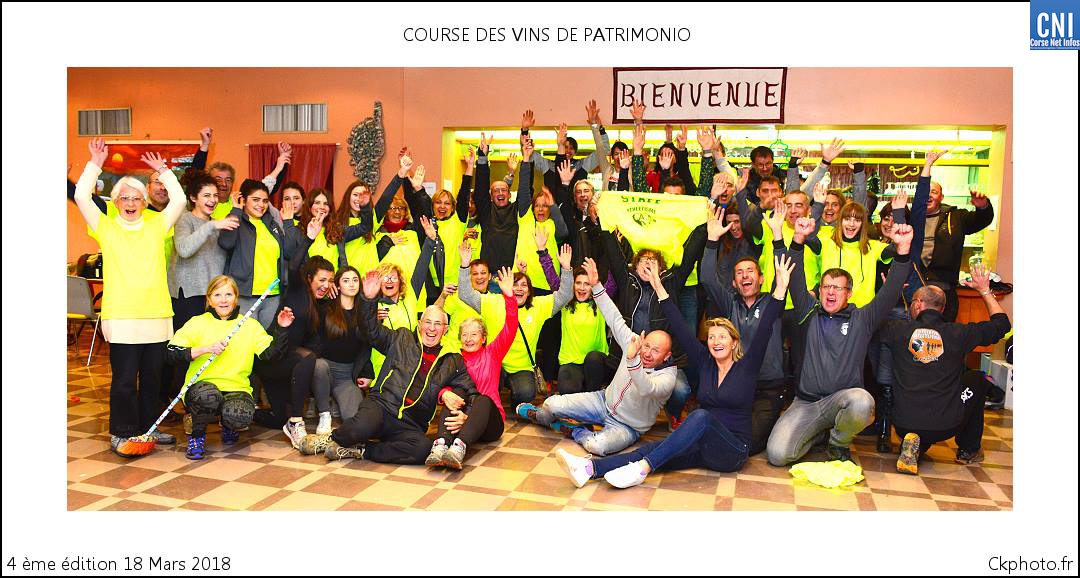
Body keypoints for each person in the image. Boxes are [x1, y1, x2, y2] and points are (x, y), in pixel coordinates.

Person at [556, 254, 791, 488]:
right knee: (654, 449)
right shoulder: (705, 362)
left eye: (722, 337)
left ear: (734, 343)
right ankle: (589, 469)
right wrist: (658, 287)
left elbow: (764, 329)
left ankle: (642, 469)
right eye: (711, 337)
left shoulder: (747, 367)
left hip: (733, 451)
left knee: (700, 416)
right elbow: (678, 325)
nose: (716, 341)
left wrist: (780, 290)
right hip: (703, 445)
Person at [765, 218, 915, 466]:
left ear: (849, 293)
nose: (831, 292)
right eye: (826, 287)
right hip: (807, 403)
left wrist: (903, 249)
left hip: (842, 402)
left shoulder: (863, 319)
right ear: (820, 290)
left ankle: (838, 442)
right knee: (778, 455)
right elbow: (795, 276)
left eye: (837, 288)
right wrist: (798, 239)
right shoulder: (808, 312)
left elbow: (890, 292)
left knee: (862, 401)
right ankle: (817, 433)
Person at [71, 139, 187, 456]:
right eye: (125, 197)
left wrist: (164, 171)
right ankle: (121, 432)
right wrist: (95, 164)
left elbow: (179, 200)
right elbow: (81, 196)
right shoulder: (104, 226)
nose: (131, 202)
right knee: (123, 380)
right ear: (116, 201)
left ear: (145, 202)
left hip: (157, 315)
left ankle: (149, 428)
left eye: (137, 198)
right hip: (121, 317)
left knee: (152, 379)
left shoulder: (158, 225)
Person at [297, 272, 479, 464]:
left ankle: (361, 450)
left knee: (422, 449)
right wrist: (368, 300)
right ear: (419, 324)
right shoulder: (402, 338)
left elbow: (471, 392)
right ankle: (331, 439)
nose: (432, 328)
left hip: (411, 422)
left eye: (438, 324)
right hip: (381, 406)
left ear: (445, 329)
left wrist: (466, 415)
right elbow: (371, 331)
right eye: (428, 322)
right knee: (360, 427)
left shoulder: (453, 359)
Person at [517, 258, 677, 456]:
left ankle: (574, 430)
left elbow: (646, 388)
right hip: (602, 402)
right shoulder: (635, 343)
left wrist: (632, 360)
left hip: (627, 426)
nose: (647, 352)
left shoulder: (667, 378)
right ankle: (539, 416)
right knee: (551, 404)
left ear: (667, 356)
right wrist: (596, 285)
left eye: (655, 351)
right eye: (647, 346)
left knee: (596, 446)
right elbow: (614, 318)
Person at [880, 264, 1010, 474]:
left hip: (904, 423)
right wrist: (984, 290)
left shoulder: (897, 330)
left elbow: (871, 322)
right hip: (945, 425)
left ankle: (913, 442)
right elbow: (1002, 325)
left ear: (918, 304)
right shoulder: (959, 334)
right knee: (977, 379)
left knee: (919, 412)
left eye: (912, 302)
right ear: (942, 309)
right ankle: (968, 450)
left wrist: (889, 294)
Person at [166, 276, 293, 459]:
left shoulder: (249, 325)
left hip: (236, 387)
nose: (223, 300)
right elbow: (171, 353)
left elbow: (270, 355)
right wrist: (205, 349)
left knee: (240, 413)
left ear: (236, 298)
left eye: (228, 294)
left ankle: (229, 426)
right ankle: (197, 436)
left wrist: (282, 328)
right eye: (217, 295)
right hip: (202, 387)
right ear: (209, 300)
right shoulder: (197, 322)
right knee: (208, 397)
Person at [700, 205, 788, 454]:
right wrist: (712, 240)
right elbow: (707, 278)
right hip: (736, 387)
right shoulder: (729, 303)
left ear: (761, 279)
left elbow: (783, 272)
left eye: (750, 271)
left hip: (767, 387)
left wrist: (778, 235)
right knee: (710, 431)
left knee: (748, 443)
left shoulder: (773, 302)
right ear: (734, 282)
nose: (745, 276)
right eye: (739, 273)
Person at [456, 239, 574, 410]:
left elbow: (565, 296)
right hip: (494, 364)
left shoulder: (538, 306)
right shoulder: (492, 302)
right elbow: (465, 294)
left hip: (522, 367)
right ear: (507, 287)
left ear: (529, 290)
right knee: (484, 390)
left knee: (526, 393)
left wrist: (566, 269)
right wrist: (465, 265)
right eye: (515, 284)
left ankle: (515, 403)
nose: (519, 288)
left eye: (524, 285)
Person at [425, 267, 519, 469]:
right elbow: (439, 383)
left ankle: (458, 449)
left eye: (474, 334)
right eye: (465, 335)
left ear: (483, 338)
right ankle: (440, 445)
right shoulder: (456, 359)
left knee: (483, 400)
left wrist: (509, 296)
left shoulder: (492, 353)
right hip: (458, 420)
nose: (468, 339)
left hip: (490, 423)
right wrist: (443, 394)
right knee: (455, 392)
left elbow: (510, 326)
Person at [166, 171, 240, 407]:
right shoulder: (185, 219)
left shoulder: (217, 224)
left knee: (209, 348)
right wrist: (212, 226)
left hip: (212, 299)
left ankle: (203, 401)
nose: (213, 200)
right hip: (187, 296)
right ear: (193, 197)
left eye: (215, 195)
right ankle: (178, 400)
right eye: (206, 195)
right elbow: (184, 249)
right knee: (187, 350)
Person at [218, 179, 290, 329]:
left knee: (267, 340)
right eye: (255, 200)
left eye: (265, 201)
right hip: (244, 294)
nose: (261, 205)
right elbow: (226, 243)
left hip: (272, 295)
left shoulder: (271, 224)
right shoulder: (236, 219)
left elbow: (287, 253)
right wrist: (236, 211)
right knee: (245, 339)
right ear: (243, 200)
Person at [310, 266, 373, 433]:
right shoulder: (325, 308)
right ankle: (324, 413)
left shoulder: (363, 312)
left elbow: (366, 347)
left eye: (355, 280)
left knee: (355, 422)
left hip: (347, 376)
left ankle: (334, 404)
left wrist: (367, 373)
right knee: (318, 365)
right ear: (337, 285)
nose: (351, 284)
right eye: (346, 280)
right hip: (324, 370)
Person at [922, 180, 995, 321]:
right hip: (915, 285)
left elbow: (981, 220)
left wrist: (983, 207)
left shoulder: (955, 217)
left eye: (934, 192)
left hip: (944, 288)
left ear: (941, 197)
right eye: (925, 191)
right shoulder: (912, 217)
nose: (928, 195)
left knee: (944, 332)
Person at [472, 135, 535, 272]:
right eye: (496, 190)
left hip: (512, 274)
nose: (500, 193)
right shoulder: (487, 212)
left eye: (504, 190)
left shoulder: (517, 210)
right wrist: (482, 157)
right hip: (488, 275)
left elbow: (525, 189)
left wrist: (526, 159)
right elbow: (481, 189)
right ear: (491, 196)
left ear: (509, 194)